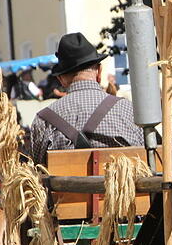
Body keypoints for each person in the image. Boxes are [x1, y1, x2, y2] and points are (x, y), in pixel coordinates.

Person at [29, 33, 144, 165]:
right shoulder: (130, 111)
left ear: (61, 79)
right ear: (99, 72)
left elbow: (37, 171)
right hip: (123, 185)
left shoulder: (43, 120)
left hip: (67, 186)